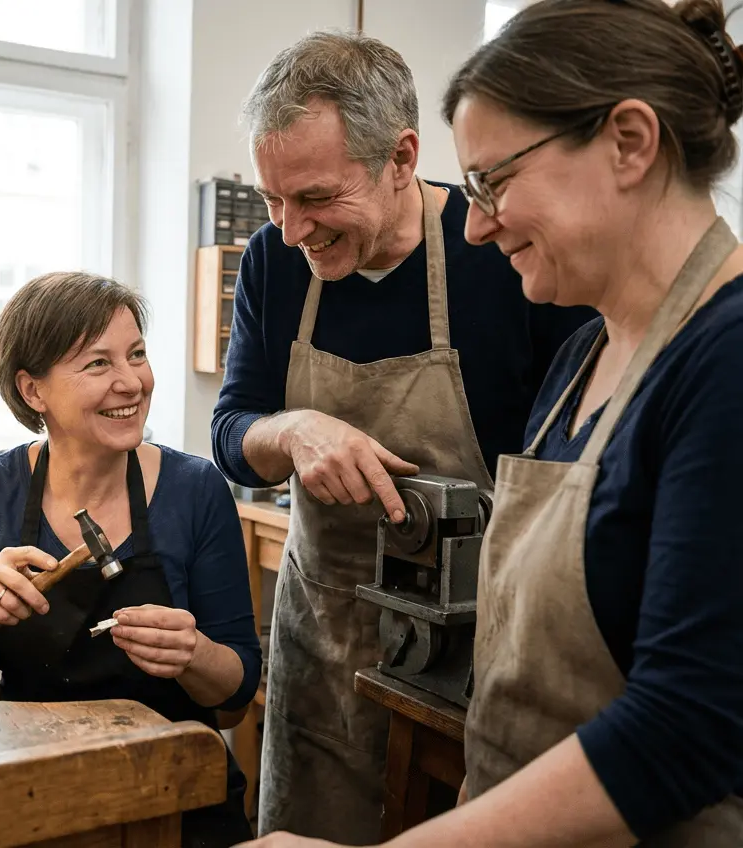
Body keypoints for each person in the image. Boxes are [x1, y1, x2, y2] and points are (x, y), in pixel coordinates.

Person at [238, 1, 743, 846]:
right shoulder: (588, 352)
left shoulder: (723, 361)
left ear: (629, 142)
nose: (472, 223)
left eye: (493, 183)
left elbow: (686, 726)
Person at [211, 31, 595, 842]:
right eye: (273, 199)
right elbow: (230, 426)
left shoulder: (503, 255)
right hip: (329, 626)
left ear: (401, 157)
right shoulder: (274, 265)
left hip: (483, 635)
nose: (290, 229)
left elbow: (573, 459)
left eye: (314, 198)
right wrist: (295, 429)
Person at [0, 272, 261, 847]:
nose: (131, 382)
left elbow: (237, 700)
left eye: (136, 355)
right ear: (33, 391)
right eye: (97, 364)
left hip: (175, 791)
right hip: (36, 794)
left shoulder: (197, 489)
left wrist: (193, 654)